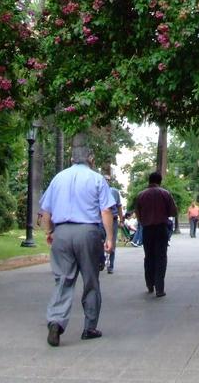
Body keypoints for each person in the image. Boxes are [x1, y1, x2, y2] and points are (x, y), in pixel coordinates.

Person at [39, 142, 114, 347]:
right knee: (90, 279)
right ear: (91, 159)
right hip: (88, 232)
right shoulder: (97, 179)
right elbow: (106, 211)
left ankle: (55, 322)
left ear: (72, 159)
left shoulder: (58, 178)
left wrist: (50, 232)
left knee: (62, 279)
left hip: (62, 232)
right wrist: (109, 238)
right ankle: (89, 327)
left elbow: (45, 212)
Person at [134, 171, 177, 298]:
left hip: (147, 229)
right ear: (160, 181)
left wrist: (143, 220)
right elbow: (173, 212)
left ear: (149, 181)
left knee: (149, 256)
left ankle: (149, 283)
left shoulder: (141, 195)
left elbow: (137, 212)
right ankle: (159, 288)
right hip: (161, 228)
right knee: (161, 257)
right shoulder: (165, 193)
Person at [103, 175, 124, 274]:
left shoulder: (114, 192)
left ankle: (110, 265)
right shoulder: (98, 192)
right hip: (100, 220)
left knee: (112, 242)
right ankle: (101, 261)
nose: (106, 182)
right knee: (99, 241)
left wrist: (122, 220)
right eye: (105, 180)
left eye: (108, 180)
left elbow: (119, 207)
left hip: (113, 219)